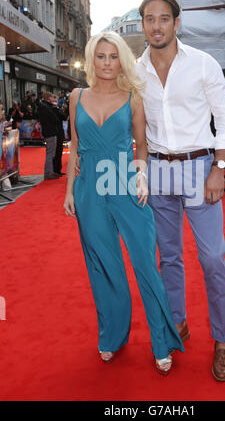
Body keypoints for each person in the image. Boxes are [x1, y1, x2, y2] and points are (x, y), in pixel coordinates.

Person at [64, 31, 184, 375]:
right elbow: (74, 145)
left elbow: (142, 146)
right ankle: (112, 336)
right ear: (91, 60)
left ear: (122, 61)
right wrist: (70, 191)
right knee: (104, 268)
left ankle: (162, 342)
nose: (106, 63)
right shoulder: (76, 96)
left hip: (127, 184)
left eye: (112, 57)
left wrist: (142, 175)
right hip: (89, 190)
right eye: (100, 56)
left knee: (146, 265)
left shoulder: (133, 97)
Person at [136, 0, 225, 382]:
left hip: (200, 167)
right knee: (169, 258)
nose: (157, 25)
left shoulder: (203, 63)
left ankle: (223, 339)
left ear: (176, 23)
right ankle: (176, 323)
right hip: (159, 172)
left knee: (212, 258)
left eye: (164, 18)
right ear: (143, 24)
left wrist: (219, 166)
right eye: (150, 19)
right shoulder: (137, 69)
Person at [38, 92, 60, 180]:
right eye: (51, 97)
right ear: (48, 98)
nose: (53, 99)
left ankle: (49, 172)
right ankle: (48, 173)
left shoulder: (42, 106)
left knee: (50, 153)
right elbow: (54, 118)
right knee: (50, 153)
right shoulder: (46, 107)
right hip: (50, 131)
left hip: (47, 131)